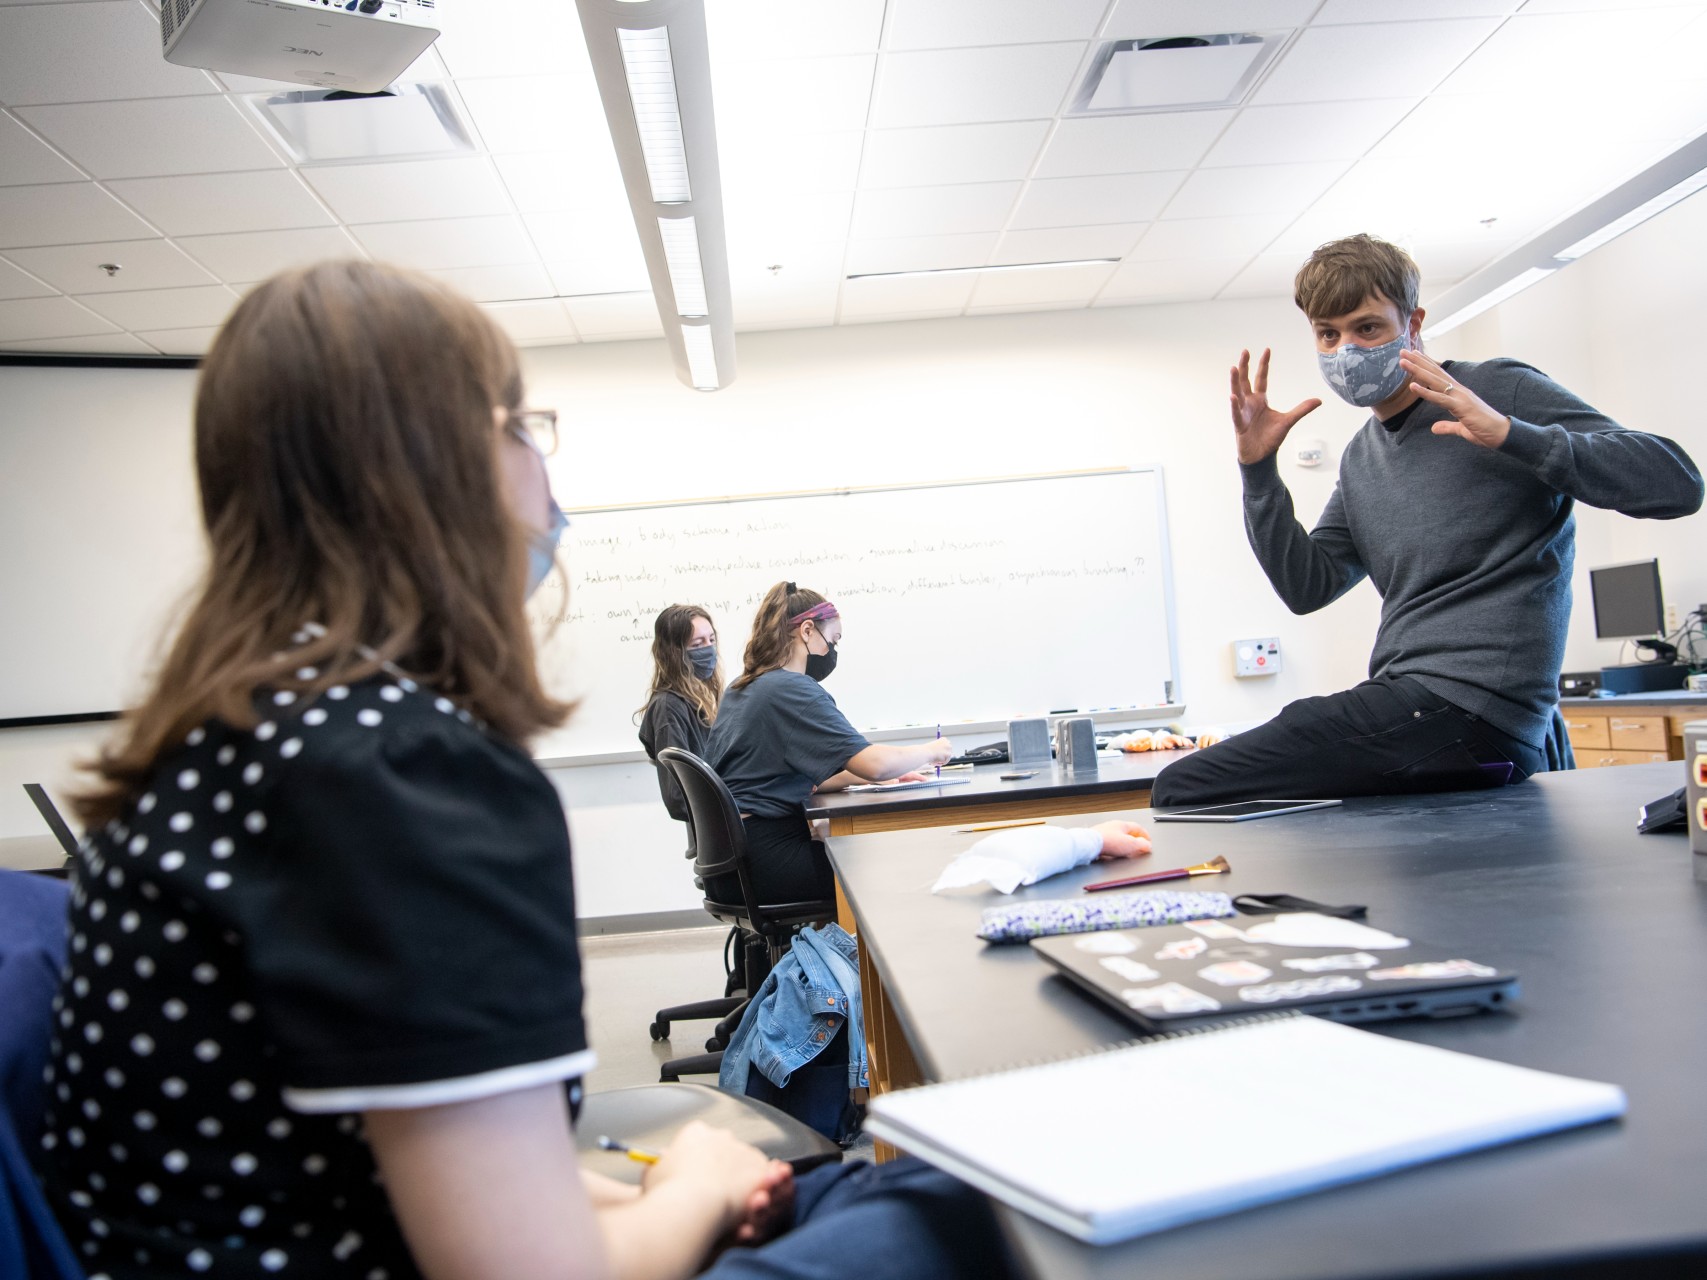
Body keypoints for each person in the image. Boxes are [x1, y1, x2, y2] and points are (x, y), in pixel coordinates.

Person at [37, 260, 1020, 1280]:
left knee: (872, 1190)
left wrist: (674, 1185)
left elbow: (374, 1162)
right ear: (428, 468)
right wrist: (691, 1184)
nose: (536, 462)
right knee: (974, 1205)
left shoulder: (227, 741)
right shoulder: (404, 772)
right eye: (516, 422)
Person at [1152, 234, 1703, 807]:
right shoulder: (1363, 457)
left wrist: (1513, 435)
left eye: (1367, 328)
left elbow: (1678, 485)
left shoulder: (1496, 390)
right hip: (1412, 705)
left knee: (1184, 785)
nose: (1346, 350)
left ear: (1412, 322)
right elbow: (1306, 587)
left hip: (1470, 710)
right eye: (1328, 334)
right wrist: (1257, 470)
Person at [638, 604, 722, 826]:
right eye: (698, 644)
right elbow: (677, 796)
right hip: (720, 834)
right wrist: (739, 809)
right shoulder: (669, 707)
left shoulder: (703, 700)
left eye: (711, 640)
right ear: (675, 653)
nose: (709, 649)